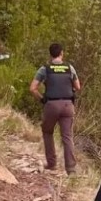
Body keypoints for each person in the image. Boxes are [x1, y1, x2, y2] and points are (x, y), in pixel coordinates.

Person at [29, 43, 81, 175]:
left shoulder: (44, 69)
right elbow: (78, 87)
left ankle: (51, 163)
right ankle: (71, 169)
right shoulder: (69, 68)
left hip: (51, 105)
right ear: (62, 53)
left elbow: (32, 88)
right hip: (68, 105)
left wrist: (42, 99)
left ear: (50, 55)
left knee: (47, 132)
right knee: (67, 136)